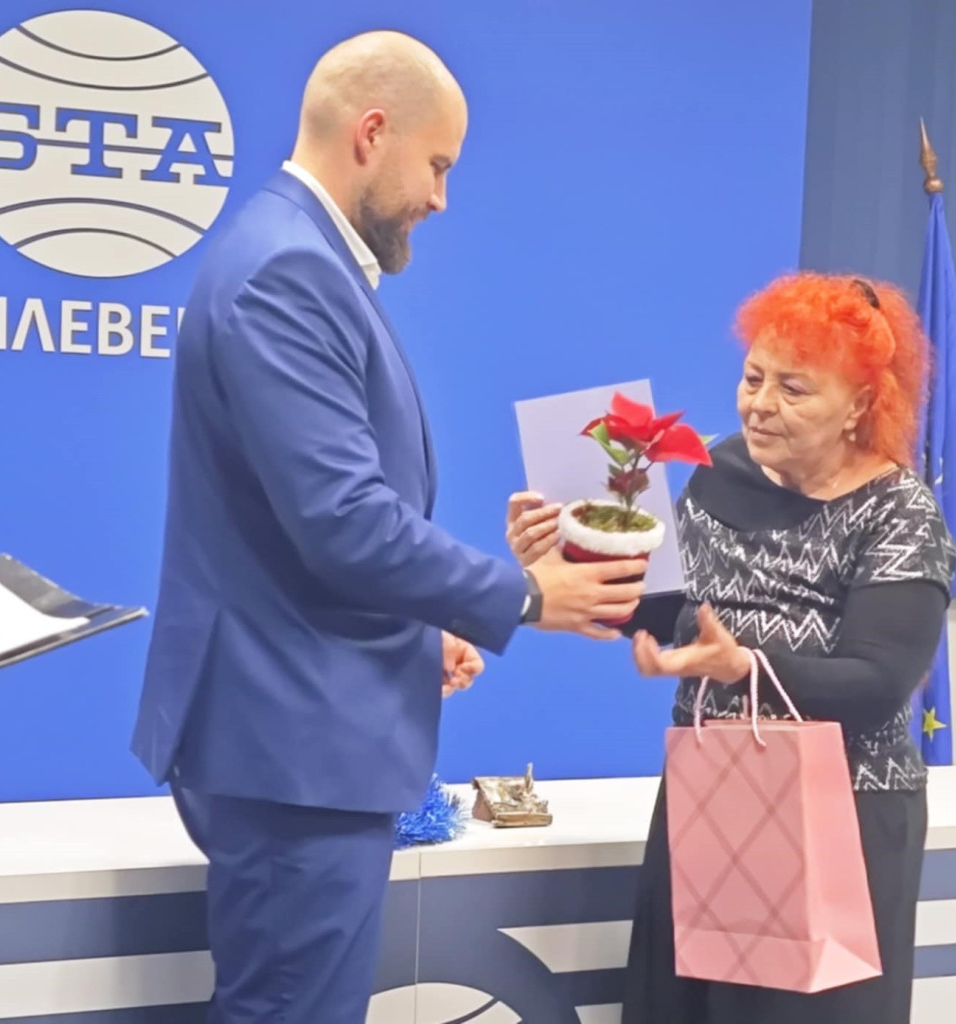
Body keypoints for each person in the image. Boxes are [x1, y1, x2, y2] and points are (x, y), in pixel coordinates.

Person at [130, 30, 645, 1024]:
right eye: (437, 165)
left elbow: (303, 528)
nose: (441, 198)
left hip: (296, 739)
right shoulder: (287, 270)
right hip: (293, 752)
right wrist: (524, 595)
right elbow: (342, 519)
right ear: (372, 133)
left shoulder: (298, 257)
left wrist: (416, 628)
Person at [506, 271, 956, 1023]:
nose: (760, 404)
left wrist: (747, 667)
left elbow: (879, 683)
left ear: (861, 405)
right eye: (753, 378)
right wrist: (562, 559)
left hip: (841, 815)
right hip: (712, 796)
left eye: (793, 388)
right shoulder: (720, 473)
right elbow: (671, 615)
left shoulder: (898, 511)